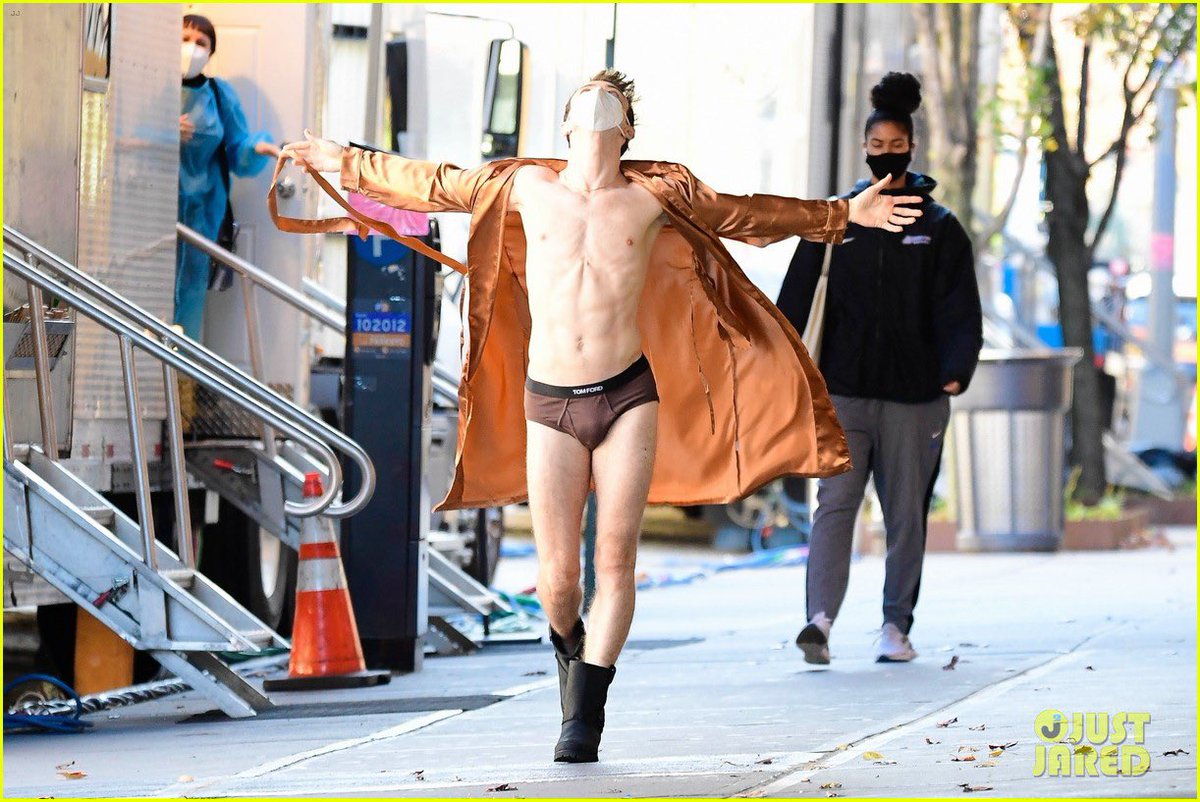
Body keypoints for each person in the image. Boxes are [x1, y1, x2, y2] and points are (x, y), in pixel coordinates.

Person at [275, 70, 924, 763]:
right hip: (550, 400)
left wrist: (842, 215)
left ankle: (584, 716)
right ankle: (568, 645)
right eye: (585, 94)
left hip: (628, 395)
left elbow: (745, 214)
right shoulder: (522, 186)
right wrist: (340, 158)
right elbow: (429, 181)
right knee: (559, 580)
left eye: (611, 97)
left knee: (615, 560)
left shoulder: (654, 196)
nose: (597, 96)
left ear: (627, 132)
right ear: (566, 126)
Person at [776, 72, 983, 666]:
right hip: (842, 393)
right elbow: (793, 303)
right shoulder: (835, 221)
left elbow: (961, 310)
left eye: (897, 146)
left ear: (912, 147)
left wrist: (954, 371)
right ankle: (818, 621)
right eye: (876, 146)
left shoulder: (939, 227)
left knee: (905, 516)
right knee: (835, 505)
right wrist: (784, 368)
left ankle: (896, 626)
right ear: (863, 148)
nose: (887, 155)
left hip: (916, 398)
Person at [175, 14, 279, 340]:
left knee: (192, 287)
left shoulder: (219, 95)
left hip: (203, 210)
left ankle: (182, 366)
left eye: (201, 43)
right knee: (147, 284)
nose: (191, 48)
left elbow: (238, 147)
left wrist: (258, 147)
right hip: (154, 204)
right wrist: (165, 130)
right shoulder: (152, 86)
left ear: (211, 52)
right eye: (184, 38)